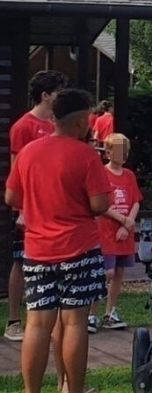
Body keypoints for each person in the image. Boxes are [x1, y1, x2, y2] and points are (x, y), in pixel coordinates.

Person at [5, 88, 110, 393]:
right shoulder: (86, 155)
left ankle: (31, 391)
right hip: (79, 248)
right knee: (75, 322)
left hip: (37, 250)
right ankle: (73, 390)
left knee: (37, 323)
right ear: (81, 122)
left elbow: (12, 196)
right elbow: (99, 205)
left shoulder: (29, 152)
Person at [5, 70, 68, 344]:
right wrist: (22, 209)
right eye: (59, 92)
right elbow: (17, 170)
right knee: (21, 260)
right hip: (30, 206)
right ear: (46, 95)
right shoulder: (23, 127)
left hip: (56, 206)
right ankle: (14, 320)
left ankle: (52, 318)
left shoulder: (59, 125)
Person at [88, 134, 142, 333]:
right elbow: (100, 205)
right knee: (104, 272)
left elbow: (135, 200)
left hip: (124, 232)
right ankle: (91, 313)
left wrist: (128, 224)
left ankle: (111, 311)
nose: (123, 154)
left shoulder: (129, 175)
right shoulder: (101, 174)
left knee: (119, 272)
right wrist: (121, 220)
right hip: (106, 230)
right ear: (108, 152)